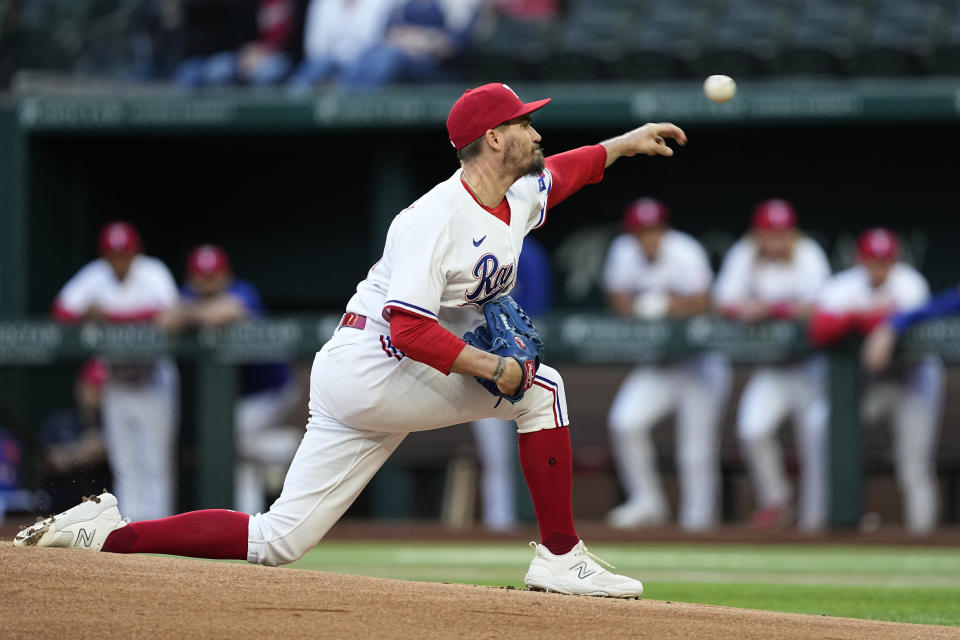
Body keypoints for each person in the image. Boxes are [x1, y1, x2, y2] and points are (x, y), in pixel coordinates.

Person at [16, 83, 687, 598]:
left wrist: (624, 144)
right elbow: (409, 325)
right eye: (521, 121)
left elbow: (562, 174)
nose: (534, 129)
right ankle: (561, 556)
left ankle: (104, 532)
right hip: (377, 363)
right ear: (491, 139)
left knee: (277, 539)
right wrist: (494, 368)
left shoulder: (514, 196)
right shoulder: (432, 220)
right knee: (542, 390)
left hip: (368, 372)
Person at [603, 198, 731, 532]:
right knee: (625, 422)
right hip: (658, 364)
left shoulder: (685, 252)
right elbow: (617, 297)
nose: (648, 237)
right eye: (641, 232)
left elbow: (704, 302)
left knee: (695, 452)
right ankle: (648, 502)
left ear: (664, 228)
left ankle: (698, 526)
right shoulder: (623, 251)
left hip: (700, 365)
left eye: (654, 230)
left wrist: (658, 305)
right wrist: (658, 304)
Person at [813, 229, 944, 534]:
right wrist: (864, 318)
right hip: (875, 385)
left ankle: (922, 538)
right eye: (873, 261)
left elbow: (910, 318)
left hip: (914, 380)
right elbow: (819, 330)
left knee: (914, 465)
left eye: (884, 261)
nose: (878, 268)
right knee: (829, 427)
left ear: (894, 261)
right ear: (860, 259)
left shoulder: (910, 283)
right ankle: (829, 523)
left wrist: (868, 320)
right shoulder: (843, 286)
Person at [50, 221, 180, 522]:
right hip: (117, 379)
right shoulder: (96, 274)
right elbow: (61, 312)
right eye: (114, 254)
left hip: (152, 378)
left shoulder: (153, 271)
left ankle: (158, 531)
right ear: (105, 255)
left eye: (125, 253)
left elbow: (171, 315)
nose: (119, 260)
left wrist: (107, 315)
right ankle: (130, 529)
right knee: (125, 463)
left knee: (155, 464)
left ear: (136, 252)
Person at [713, 200, 831, 531]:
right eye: (768, 233)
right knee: (753, 429)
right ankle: (777, 500)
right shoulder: (745, 253)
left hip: (811, 365)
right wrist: (743, 310)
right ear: (758, 233)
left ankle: (816, 518)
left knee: (814, 436)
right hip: (774, 367)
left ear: (791, 233)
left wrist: (771, 309)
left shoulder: (808, 253)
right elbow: (723, 300)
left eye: (781, 233)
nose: (775, 240)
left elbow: (822, 306)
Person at [159, 244, 302, 515]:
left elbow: (225, 312)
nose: (208, 281)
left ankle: (289, 447)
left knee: (227, 440)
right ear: (191, 277)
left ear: (225, 275)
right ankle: (246, 519)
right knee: (238, 459)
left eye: (213, 275)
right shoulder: (188, 295)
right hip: (241, 398)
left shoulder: (242, 291)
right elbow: (165, 320)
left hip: (271, 390)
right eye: (202, 276)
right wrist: (191, 311)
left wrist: (190, 314)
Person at [468, 235, 551, 532]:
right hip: (480, 359)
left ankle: (550, 528)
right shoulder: (469, 248)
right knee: (494, 456)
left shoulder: (528, 253)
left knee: (543, 447)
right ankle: (498, 525)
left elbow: (537, 309)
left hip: (525, 363)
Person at [341, 0, 483, 89]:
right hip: (407, 61)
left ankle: (359, 107)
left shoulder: (459, 4)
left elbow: (452, 47)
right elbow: (388, 34)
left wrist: (415, 42)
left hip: (440, 72)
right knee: (368, 52)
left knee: (392, 57)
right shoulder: (405, 4)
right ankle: (343, 102)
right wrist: (422, 40)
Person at [38, 359, 111, 514]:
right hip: (60, 510)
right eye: (92, 386)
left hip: (101, 513)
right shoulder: (59, 422)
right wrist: (80, 453)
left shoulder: (115, 425)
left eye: (101, 387)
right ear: (80, 387)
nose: (97, 392)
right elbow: (46, 461)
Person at [175, 0, 298, 88]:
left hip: (282, 55)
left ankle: (262, 121)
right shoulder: (248, 4)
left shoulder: (296, 4)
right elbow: (239, 31)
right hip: (245, 53)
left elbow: (298, 39)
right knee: (219, 70)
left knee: (269, 72)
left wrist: (268, 52)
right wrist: (244, 54)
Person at [286, 0, 394, 90]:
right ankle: (290, 101)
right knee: (319, 64)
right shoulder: (323, 3)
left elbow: (379, 41)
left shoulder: (380, 3)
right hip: (330, 63)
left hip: (364, 65)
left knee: (374, 63)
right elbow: (315, 47)